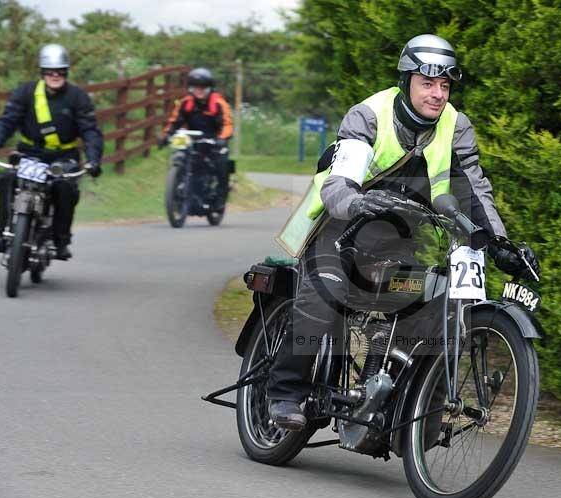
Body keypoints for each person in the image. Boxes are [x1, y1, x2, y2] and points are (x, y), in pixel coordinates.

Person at [267, 34, 541, 430]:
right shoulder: (369, 115)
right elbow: (338, 184)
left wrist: (498, 243)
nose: (438, 94)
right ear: (406, 81)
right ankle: (284, 392)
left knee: (429, 298)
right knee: (325, 295)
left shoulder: (456, 127)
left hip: (393, 243)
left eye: (445, 86)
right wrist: (359, 202)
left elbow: (474, 191)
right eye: (428, 83)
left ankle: (389, 402)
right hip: (336, 230)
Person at [0, 44, 103, 260]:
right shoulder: (26, 92)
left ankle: (60, 240)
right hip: (30, 154)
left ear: (67, 71)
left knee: (65, 189)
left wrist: (94, 159)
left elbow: (90, 131)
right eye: (50, 71)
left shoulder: (78, 98)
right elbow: (6, 121)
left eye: (60, 71)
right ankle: (3, 233)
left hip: (63, 157)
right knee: (6, 180)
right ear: (42, 72)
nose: (55, 75)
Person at [159, 68, 233, 209]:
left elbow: (227, 123)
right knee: (180, 155)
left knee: (220, 163)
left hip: (214, 140)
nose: (199, 91)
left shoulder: (218, 103)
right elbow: (174, 121)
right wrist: (165, 136)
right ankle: (179, 186)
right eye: (195, 87)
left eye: (203, 88)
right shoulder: (185, 103)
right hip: (191, 137)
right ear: (190, 88)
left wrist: (222, 138)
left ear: (209, 88)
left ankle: (220, 197)